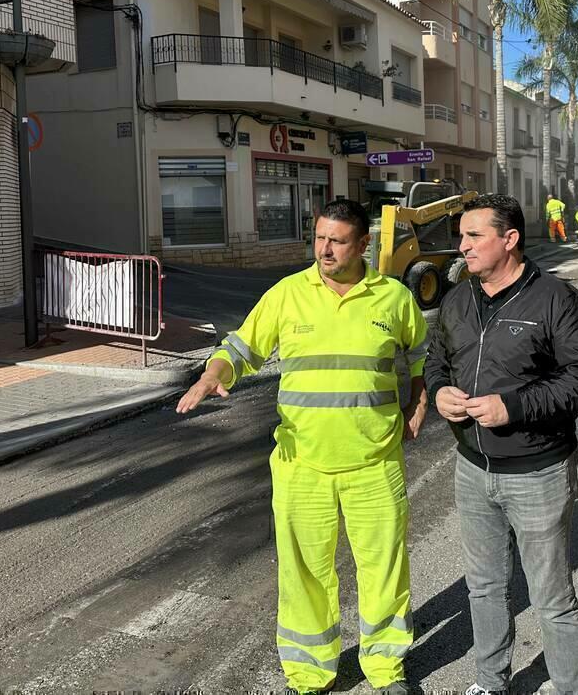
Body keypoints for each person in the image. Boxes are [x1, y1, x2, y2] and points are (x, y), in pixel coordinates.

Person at [177, 199, 428, 695]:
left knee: (383, 569)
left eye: (336, 240)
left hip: (375, 462)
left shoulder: (393, 298)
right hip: (301, 464)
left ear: (362, 245)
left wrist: (418, 404)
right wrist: (213, 373)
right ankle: (310, 674)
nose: (324, 249)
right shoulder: (288, 294)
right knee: (304, 575)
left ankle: (386, 670)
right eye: (318, 238)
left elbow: (420, 355)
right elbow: (241, 348)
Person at [425, 194, 578, 695]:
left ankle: (571, 687)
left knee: (551, 597)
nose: (462, 247)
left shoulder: (556, 299)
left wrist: (514, 407)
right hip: (472, 467)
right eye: (461, 236)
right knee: (484, 588)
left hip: (539, 471)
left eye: (473, 236)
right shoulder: (458, 298)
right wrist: (439, 391)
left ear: (510, 239)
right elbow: (436, 359)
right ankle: (490, 682)